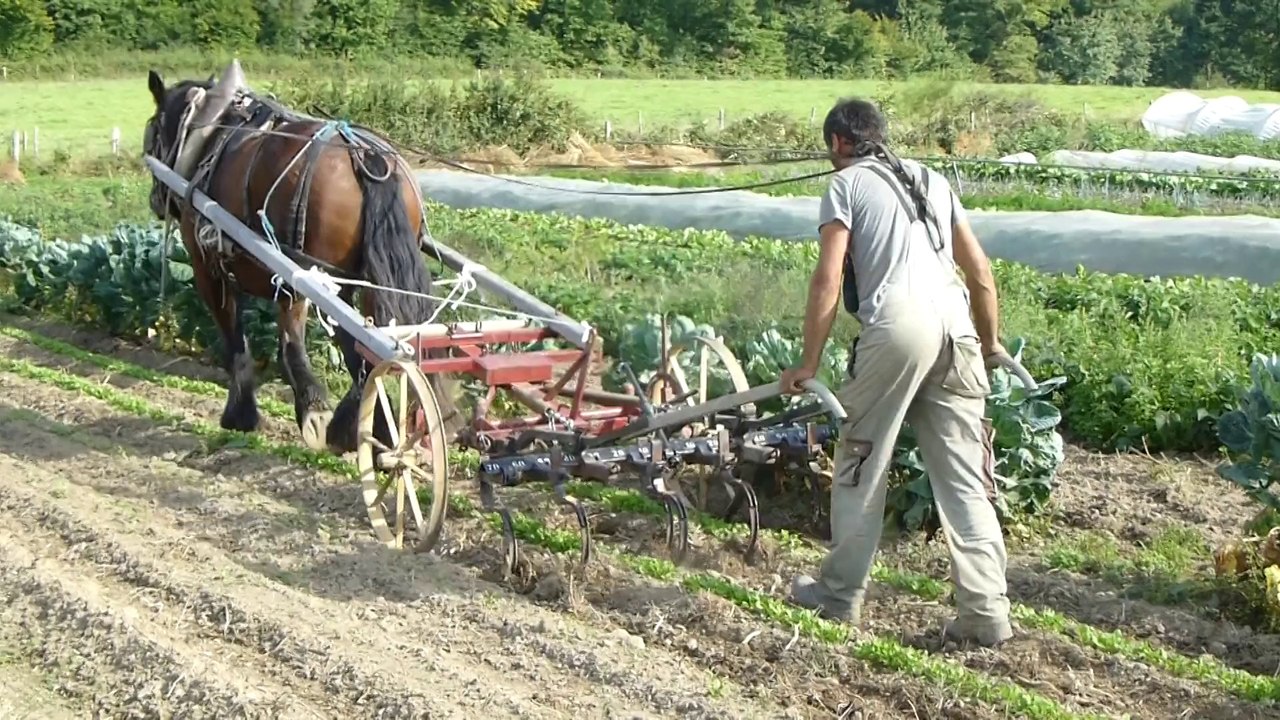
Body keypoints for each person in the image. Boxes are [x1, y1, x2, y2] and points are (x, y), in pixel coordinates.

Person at [778, 97, 1014, 647]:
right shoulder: (930, 177)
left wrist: (808, 364)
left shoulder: (845, 184)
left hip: (898, 327)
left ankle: (838, 597)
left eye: (831, 149)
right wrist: (992, 341)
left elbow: (828, 280)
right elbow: (979, 271)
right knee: (964, 478)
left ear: (839, 143)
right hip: (957, 330)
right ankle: (985, 612)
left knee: (863, 457)